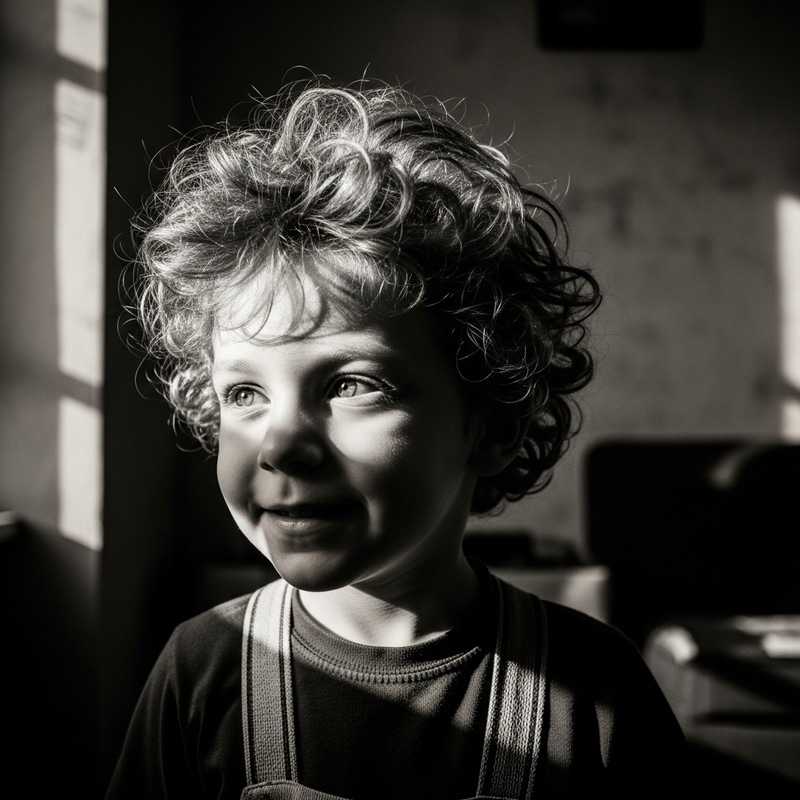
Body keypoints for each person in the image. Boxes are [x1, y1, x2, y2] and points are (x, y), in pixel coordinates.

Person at [107, 80, 697, 799]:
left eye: (352, 384)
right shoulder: (203, 671)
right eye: (245, 393)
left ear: (493, 425)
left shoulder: (594, 687)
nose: (283, 444)